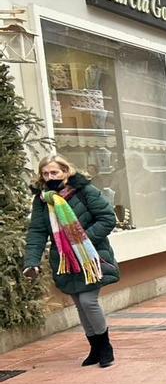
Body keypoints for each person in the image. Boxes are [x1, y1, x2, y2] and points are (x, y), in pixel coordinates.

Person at [23, 154, 120, 367]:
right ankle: (94, 348)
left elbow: (107, 218)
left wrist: (82, 241)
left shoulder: (85, 191)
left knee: (88, 301)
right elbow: (37, 231)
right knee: (79, 303)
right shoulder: (42, 200)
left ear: (66, 172)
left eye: (54, 172)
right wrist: (32, 261)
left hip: (90, 256)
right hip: (65, 259)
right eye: (46, 173)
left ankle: (105, 347)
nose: (50, 177)